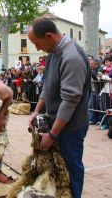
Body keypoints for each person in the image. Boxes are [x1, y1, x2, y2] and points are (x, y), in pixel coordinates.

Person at [27, 18, 91, 198]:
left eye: (37, 43)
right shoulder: (54, 53)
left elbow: (70, 100)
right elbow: (47, 86)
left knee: (70, 168)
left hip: (71, 127)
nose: (37, 48)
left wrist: (52, 135)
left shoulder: (72, 57)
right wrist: (37, 111)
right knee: (55, 168)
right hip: (57, 123)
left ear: (48, 36)